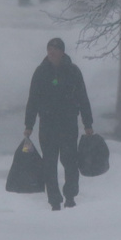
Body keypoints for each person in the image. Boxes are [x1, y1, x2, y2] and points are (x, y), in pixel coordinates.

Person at [23, 37, 94, 210]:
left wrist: (88, 123)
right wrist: (29, 124)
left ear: (62, 52)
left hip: (68, 124)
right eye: (49, 50)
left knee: (70, 161)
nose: (51, 53)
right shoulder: (40, 72)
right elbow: (33, 99)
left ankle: (70, 195)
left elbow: (82, 98)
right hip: (47, 125)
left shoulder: (73, 72)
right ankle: (54, 199)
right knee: (49, 163)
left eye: (54, 50)